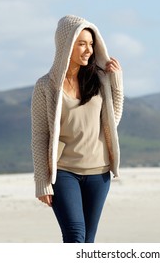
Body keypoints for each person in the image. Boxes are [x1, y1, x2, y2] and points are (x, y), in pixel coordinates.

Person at [31, 15, 124, 243]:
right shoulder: (45, 86)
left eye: (91, 44)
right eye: (82, 43)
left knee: (88, 242)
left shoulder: (99, 80)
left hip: (98, 173)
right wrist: (42, 181)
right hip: (64, 172)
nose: (88, 50)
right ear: (66, 45)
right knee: (74, 235)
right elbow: (40, 136)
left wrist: (117, 81)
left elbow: (113, 121)